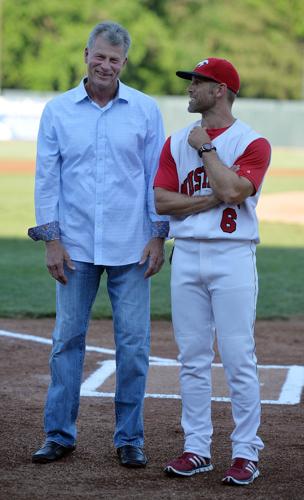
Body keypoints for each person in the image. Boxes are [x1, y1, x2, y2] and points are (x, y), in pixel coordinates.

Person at [28, 21, 168, 468]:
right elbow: (47, 178)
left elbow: (154, 178)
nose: (105, 65)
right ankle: (59, 435)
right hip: (74, 247)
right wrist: (51, 240)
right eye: (99, 56)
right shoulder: (58, 110)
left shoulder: (145, 110)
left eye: (114, 59)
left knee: (134, 344)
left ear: (124, 63)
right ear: (86, 54)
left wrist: (158, 234)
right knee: (66, 340)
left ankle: (130, 437)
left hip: (132, 246)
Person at [154, 57, 271, 485]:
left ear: (219, 90)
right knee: (192, 359)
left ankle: (245, 454)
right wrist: (205, 202)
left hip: (232, 258)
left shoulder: (252, 142)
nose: (190, 88)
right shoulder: (174, 141)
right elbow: (162, 203)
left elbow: (232, 190)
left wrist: (206, 148)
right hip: (185, 255)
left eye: (198, 82)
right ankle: (196, 448)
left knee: (239, 358)